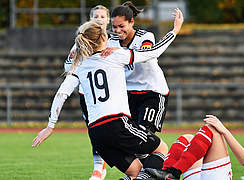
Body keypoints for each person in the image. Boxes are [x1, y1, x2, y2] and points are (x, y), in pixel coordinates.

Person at [32, 8, 184, 180]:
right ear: (104, 38)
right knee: (162, 149)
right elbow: (153, 53)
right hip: (118, 124)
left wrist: (50, 126)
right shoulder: (116, 55)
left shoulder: (79, 66)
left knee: (136, 172)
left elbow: (61, 94)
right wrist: (175, 30)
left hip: (96, 133)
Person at [106, 2, 170, 175]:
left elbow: (143, 55)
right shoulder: (110, 40)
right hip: (127, 95)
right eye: (114, 26)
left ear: (132, 22)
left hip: (152, 92)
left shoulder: (145, 36)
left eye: (122, 26)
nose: (117, 30)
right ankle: (143, 174)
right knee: (130, 141)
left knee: (144, 137)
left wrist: (118, 54)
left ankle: (161, 170)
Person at [146, 115, 244, 180]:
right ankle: (167, 174)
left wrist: (225, 130)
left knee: (213, 129)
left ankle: (173, 173)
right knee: (187, 139)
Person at [64, 5, 110, 180]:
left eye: (102, 16)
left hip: (113, 95)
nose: (99, 19)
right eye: (95, 16)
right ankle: (98, 168)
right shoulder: (80, 42)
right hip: (88, 94)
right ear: (90, 19)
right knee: (95, 131)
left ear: (108, 20)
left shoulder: (114, 40)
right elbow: (68, 67)